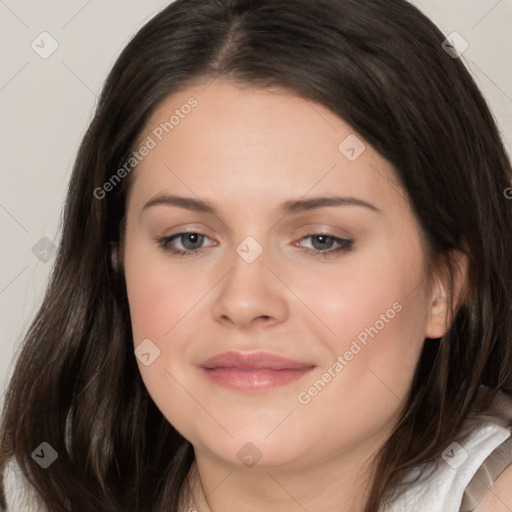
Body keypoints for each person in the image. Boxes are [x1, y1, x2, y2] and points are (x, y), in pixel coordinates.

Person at [1, 0, 511, 511]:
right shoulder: (29, 493)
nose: (244, 302)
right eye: (189, 239)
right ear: (118, 265)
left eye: (321, 240)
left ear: (443, 286)